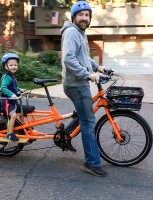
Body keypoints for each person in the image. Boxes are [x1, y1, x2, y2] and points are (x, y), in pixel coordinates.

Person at [60, 1, 108, 177]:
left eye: (87, 15)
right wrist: (87, 74)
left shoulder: (80, 33)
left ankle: (66, 134)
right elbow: (68, 58)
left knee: (84, 116)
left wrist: (97, 67)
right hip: (76, 84)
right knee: (88, 122)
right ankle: (91, 163)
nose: (84, 18)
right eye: (81, 15)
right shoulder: (72, 32)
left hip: (79, 81)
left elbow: (84, 57)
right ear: (74, 17)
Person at [0, 53, 26, 142]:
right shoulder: (7, 77)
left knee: (22, 112)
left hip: (12, 100)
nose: (14, 67)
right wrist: (11, 94)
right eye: (11, 65)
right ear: (6, 66)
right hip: (7, 101)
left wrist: (20, 89)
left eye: (15, 65)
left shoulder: (12, 76)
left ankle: (23, 127)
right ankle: (9, 134)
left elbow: (13, 88)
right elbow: (3, 88)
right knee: (14, 116)